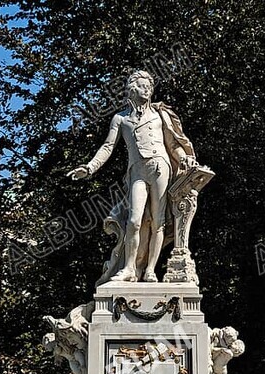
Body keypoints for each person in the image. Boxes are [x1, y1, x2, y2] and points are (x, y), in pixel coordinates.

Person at [68, 70, 196, 284]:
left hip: (161, 167)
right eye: (142, 86)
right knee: (134, 220)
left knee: (158, 222)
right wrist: (89, 168)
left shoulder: (160, 114)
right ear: (131, 89)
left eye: (149, 86)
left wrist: (185, 158)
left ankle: (150, 270)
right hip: (137, 171)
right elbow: (108, 146)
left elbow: (173, 144)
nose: (147, 89)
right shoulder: (121, 118)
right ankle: (129, 268)